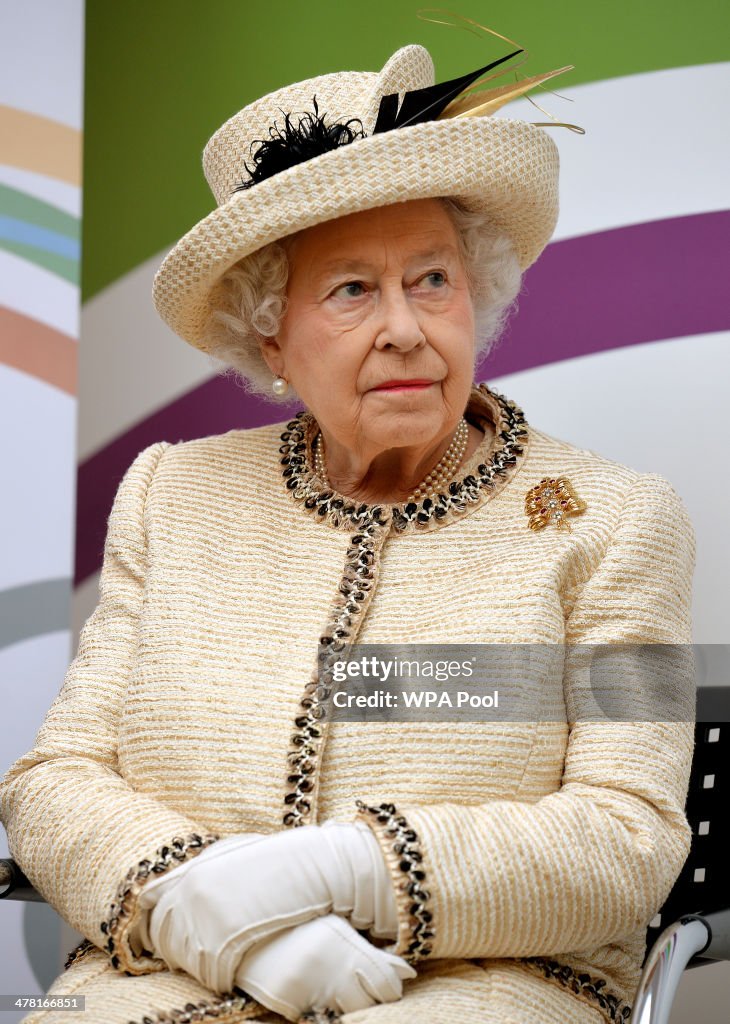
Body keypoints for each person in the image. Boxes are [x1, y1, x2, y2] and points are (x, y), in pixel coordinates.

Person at [0, 39, 696, 1024]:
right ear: (270, 331)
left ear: (477, 297)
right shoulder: (170, 493)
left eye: (432, 281)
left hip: (486, 987)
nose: (406, 328)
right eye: (352, 291)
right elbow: (53, 781)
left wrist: (346, 867)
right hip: (164, 973)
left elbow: (628, 835)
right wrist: (210, 912)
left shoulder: (618, 520)